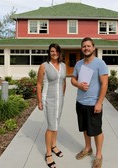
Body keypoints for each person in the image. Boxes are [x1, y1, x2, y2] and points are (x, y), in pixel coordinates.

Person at [71, 37, 108, 168]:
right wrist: (79, 85)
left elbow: (104, 85)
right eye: (84, 46)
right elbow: (73, 80)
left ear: (93, 48)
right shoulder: (79, 64)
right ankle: (88, 148)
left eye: (88, 46)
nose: (86, 48)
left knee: (96, 130)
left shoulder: (100, 64)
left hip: (94, 104)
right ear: (82, 49)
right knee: (85, 128)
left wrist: (99, 103)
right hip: (80, 102)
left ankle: (98, 155)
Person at [37, 43, 66, 168]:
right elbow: (39, 84)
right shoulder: (44, 66)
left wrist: (62, 95)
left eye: (56, 51)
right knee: (51, 126)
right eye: (52, 51)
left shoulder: (63, 65)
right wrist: (39, 101)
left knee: (56, 123)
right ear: (49, 53)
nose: (54, 53)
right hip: (48, 99)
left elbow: (64, 82)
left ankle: (53, 146)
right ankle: (48, 154)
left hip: (60, 100)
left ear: (59, 53)